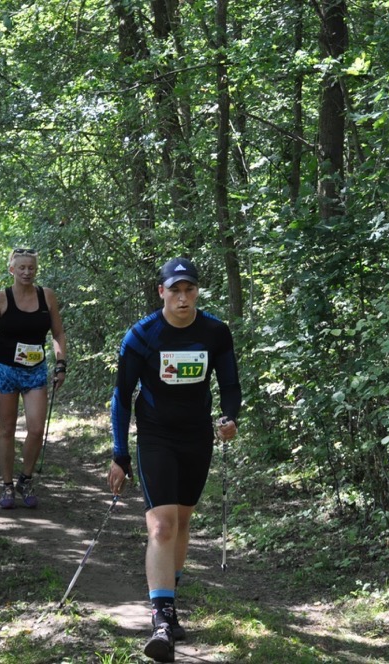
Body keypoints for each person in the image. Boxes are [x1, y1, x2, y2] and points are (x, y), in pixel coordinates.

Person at [107, 257, 241, 663]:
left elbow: (230, 384)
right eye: (175, 290)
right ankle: (161, 620)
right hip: (156, 437)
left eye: (190, 290)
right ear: (161, 292)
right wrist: (120, 454)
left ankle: (170, 598)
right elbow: (121, 396)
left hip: (197, 437)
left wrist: (230, 418)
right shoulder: (142, 335)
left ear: (197, 291)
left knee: (182, 521)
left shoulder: (215, 332)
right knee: (162, 526)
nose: (183, 298)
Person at [0, 248, 67, 510]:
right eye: (22, 268)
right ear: (11, 269)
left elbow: (58, 333)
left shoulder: (47, 296)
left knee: (36, 429)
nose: (27, 272)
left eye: (31, 268)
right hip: (5, 370)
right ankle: (7, 485)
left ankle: (25, 478)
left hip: (35, 370)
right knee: (7, 429)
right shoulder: (0, 299)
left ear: (36, 270)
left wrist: (61, 363)